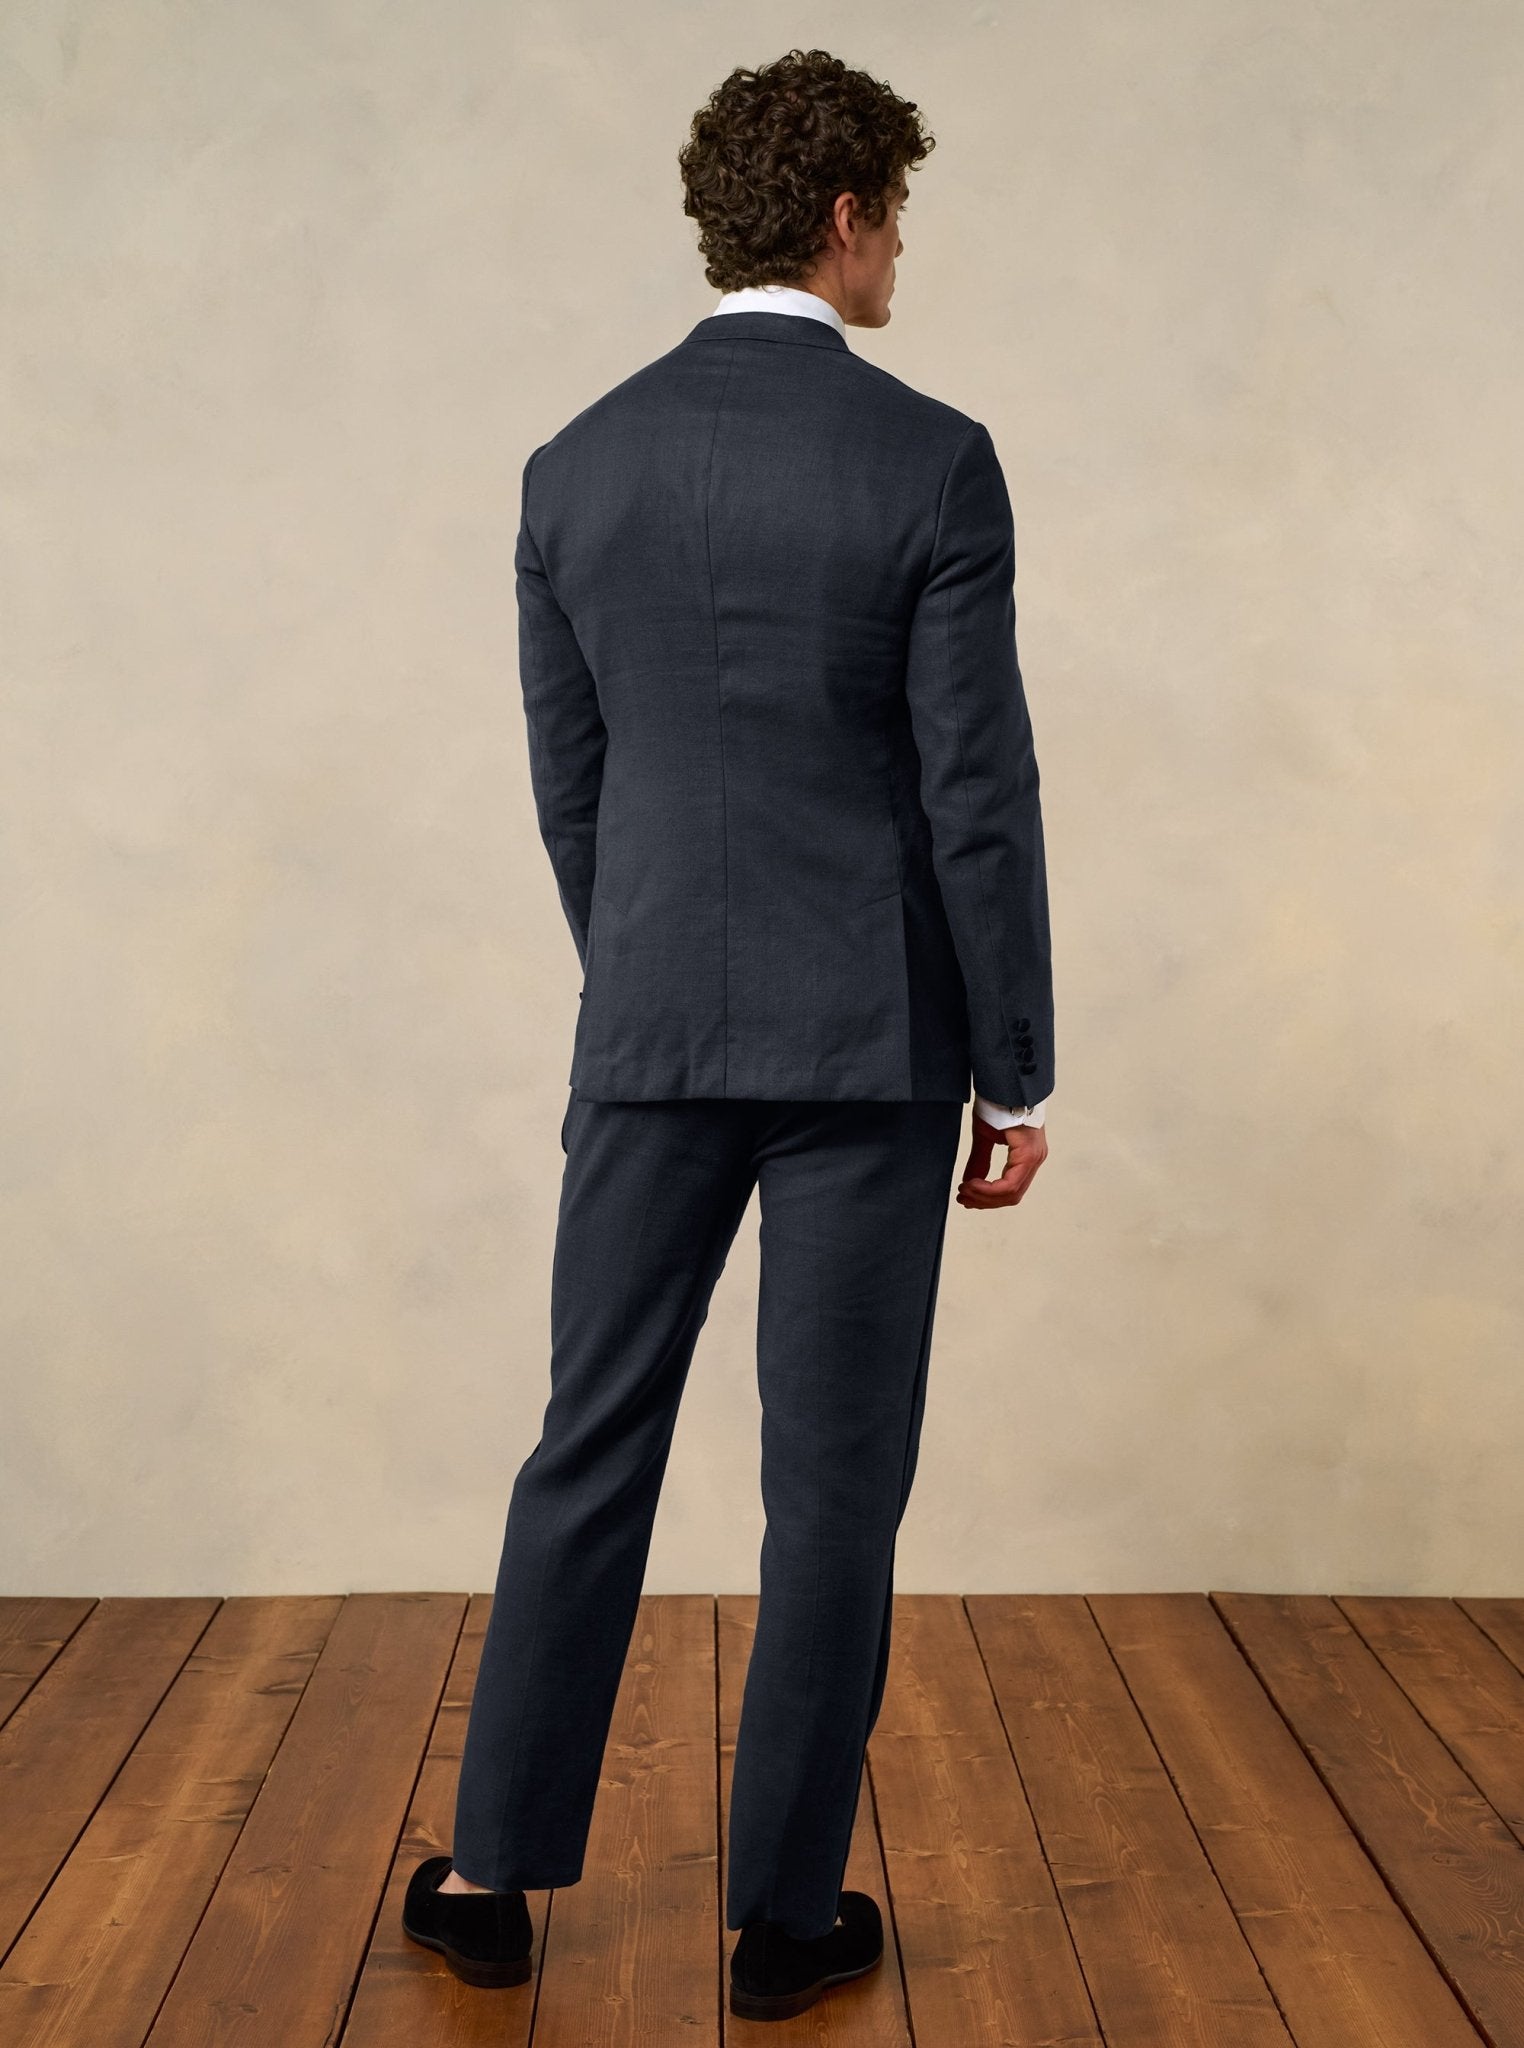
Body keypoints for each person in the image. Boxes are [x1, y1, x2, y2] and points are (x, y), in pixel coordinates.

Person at [402, 46, 1053, 2022]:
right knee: (833, 1489)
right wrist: (1013, 1062)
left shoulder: (570, 468)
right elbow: (976, 795)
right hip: (874, 1049)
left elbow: (572, 788)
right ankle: (784, 1922)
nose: (897, 256)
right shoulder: (933, 459)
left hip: (653, 1026)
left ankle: (491, 1878)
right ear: (848, 214)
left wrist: (656, 976)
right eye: (895, 220)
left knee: (585, 1444)